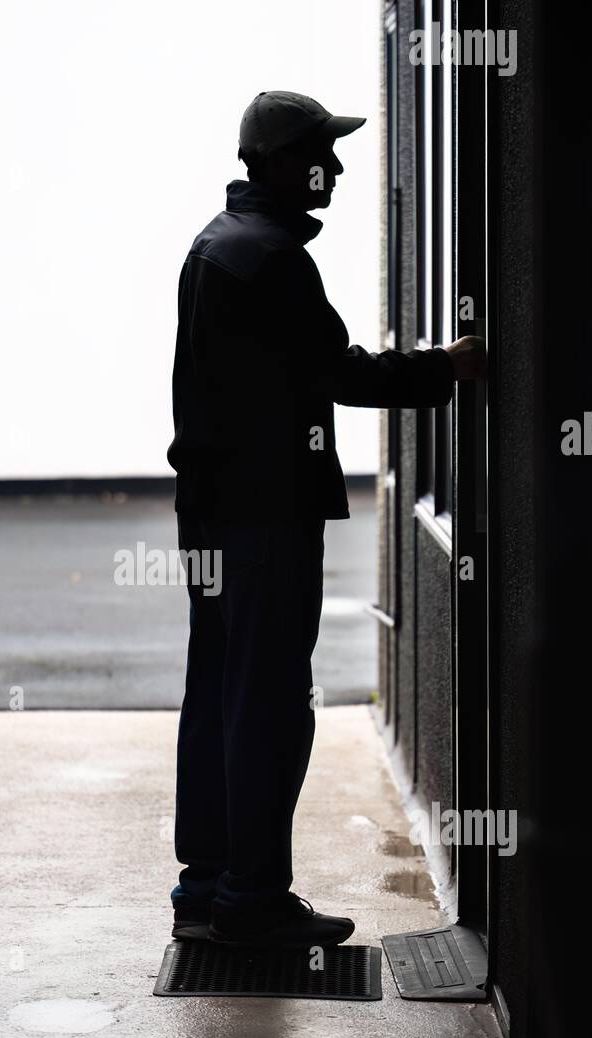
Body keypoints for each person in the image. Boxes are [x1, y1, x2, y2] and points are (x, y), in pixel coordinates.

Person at [167, 90, 485, 948]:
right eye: (321, 151)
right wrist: (445, 369)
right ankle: (255, 901)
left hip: (210, 516)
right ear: (277, 163)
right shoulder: (272, 258)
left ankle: (204, 889)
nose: (336, 167)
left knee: (220, 693)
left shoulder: (213, 248)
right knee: (272, 702)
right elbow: (341, 373)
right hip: (265, 519)